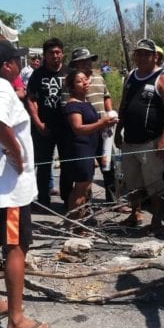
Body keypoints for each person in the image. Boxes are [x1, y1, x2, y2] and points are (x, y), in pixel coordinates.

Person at [0, 40, 50, 328]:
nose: (19, 65)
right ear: (7, 65)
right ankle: (16, 320)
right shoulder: (2, 89)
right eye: (16, 60)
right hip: (8, 188)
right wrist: (17, 154)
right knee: (16, 247)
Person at [114, 38, 164, 235]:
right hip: (129, 140)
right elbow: (124, 104)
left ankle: (157, 220)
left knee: (154, 183)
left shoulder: (163, 79)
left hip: (151, 141)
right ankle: (136, 213)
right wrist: (118, 131)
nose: (141, 57)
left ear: (155, 56)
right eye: (138, 53)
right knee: (132, 182)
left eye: (145, 54)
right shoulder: (131, 76)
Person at [63, 69, 116, 223]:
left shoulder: (86, 102)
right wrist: (101, 123)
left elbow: (94, 125)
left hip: (90, 148)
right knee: (80, 188)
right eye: (79, 81)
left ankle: (78, 220)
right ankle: (76, 224)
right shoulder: (73, 105)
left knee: (85, 187)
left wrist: (107, 124)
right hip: (80, 150)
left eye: (86, 79)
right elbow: (78, 128)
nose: (85, 83)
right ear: (72, 86)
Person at [26, 38, 69, 207]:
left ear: (62, 54)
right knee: (43, 164)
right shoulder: (38, 74)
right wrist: (38, 123)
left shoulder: (69, 72)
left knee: (67, 163)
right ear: (45, 55)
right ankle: (43, 199)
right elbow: (31, 100)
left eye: (58, 52)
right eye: (51, 53)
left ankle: (67, 197)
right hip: (44, 127)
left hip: (66, 127)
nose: (55, 56)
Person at [68, 47, 114, 200]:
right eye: (82, 62)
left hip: (104, 129)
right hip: (84, 132)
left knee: (108, 165)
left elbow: (106, 96)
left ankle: (112, 200)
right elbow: (67, 107)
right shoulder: (71, 82)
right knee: (85, 172)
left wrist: (110, 113)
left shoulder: (99, 78)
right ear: (75, 64)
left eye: (88, 60)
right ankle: (82, 204)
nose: (86, 64)